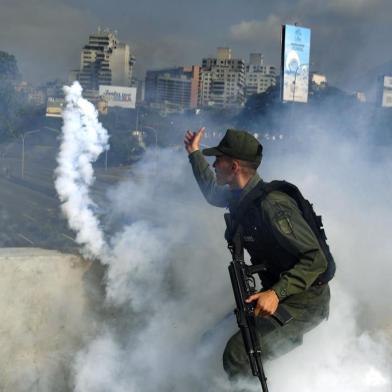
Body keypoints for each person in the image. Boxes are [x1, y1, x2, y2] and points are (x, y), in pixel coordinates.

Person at [184, 127, 332, 380]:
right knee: (209, 342)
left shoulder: (272, 206)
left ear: (234, 166)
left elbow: (315, 258)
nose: (214, 164)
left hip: (304, 302)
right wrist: (194, 153)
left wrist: (277, 293)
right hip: (272, 296)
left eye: (218, 159)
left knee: (239, 355)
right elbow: (211, 192)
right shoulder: (241, 198)